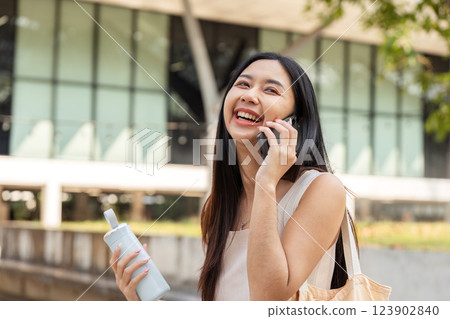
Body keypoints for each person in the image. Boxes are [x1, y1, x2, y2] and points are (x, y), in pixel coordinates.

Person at [110, 52, 359, 301]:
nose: (249, 95)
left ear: (295, 122)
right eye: (243, 84)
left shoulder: (321, 190)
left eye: (271, 90)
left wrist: (266, 181)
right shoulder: (219, 208)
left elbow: (267, 299)